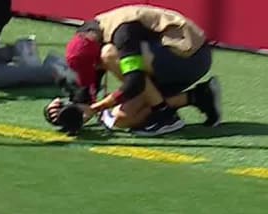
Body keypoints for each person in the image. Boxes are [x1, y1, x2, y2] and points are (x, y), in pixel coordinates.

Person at [50, 4, 221, 136]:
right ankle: (199, 96)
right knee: (120, 119)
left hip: (192, 56)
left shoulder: (122, 35)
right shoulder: (90, 34)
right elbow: (87, 91)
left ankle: (163, 115)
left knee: (109, 55)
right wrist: (64, 114)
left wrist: (95, 108)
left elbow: (135, 83)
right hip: (166, 57)